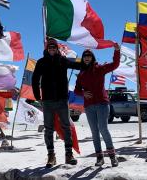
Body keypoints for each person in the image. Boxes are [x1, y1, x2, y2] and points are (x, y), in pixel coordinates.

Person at [32, 38, 80, 168]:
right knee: (48, 129)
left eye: (54, 48)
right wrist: (38, 96)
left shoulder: (62, 60)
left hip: (62, 100)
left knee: (66, 127)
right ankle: (51, 155)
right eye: (50, 48)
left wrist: (89, 64)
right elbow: (35, 79)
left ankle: (68, 154)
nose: (52, 50)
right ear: (47, 49)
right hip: (47, 100)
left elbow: (76, 65)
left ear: (57, 49)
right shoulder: (41, 62)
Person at [74, 43, 120, 167]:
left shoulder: (100, 68)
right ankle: (100, 158)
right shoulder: (81, 74)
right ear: (83, 58)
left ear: (92, 58)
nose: (87, 58)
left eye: (89, 56)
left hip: (102, 104)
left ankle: (112, 157)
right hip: (89, 106)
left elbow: (115, 64)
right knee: (94, 132)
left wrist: (116, 51)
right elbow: (76, 90)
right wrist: (83, 93)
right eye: (85, 56)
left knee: (103, 129)